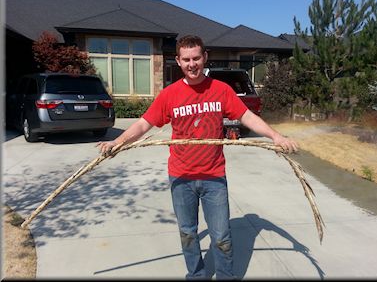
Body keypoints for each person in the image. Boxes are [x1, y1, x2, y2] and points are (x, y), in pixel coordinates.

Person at [97, 35, 298, 280]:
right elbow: (143, 124)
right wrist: (117, 142)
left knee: (222, 236)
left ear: (204, 57)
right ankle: (196, 275)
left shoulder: (221, 90)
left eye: (196, 58)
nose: (192, 64)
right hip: (181, 178)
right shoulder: (169, 95)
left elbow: (247, 117)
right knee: (188, 233)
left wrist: (275, 136)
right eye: (186, 59)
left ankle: (226, 276)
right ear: (178, 61)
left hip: (214, 177)